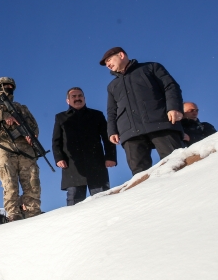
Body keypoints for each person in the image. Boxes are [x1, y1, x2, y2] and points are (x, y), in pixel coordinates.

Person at [101, 47, 184, 175]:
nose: (108, 65)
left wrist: (174, 107)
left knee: (176, 161)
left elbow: (171, 86)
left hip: (160, 122)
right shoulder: (112, 86)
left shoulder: (151, 67)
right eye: (106, 63)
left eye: (109, 60)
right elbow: (111, 111)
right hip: (130, 132)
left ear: (121, 55)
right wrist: (112, 130)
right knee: (140, 174)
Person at [0, 77, 41, 222]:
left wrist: (32, 135)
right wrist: (3, 116)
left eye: (12, 86)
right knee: (10, 184)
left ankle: (34, 213)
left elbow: (34, 125)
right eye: (7, 85)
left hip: (25, 149)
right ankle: (13, 216)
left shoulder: (21, 108)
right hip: (3, 147)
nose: (10, 88)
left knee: (32, 181)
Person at [52, 87, 117, 206]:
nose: (77, 98)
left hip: (96, 164)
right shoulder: (61, 118)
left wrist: (110, 157)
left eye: (80, 96)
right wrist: (59, 158)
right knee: (74, 205)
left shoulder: (97, 115)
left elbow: (107, 138)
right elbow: (56, 141)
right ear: (68, 100)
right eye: (74, 96)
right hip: (72, 166)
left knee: (103, 202)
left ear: (84, 98)